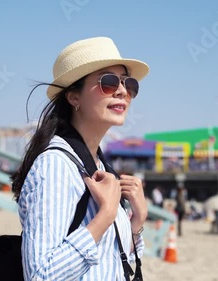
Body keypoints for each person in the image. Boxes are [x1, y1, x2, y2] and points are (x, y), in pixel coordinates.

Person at [12, 37, 149, 280]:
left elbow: (108, 261)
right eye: (108, 82)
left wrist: (136, 222)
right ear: (74, 97)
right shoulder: (54, 166)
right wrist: (105, 215)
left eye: (129, 84)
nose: (121, 91)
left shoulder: (97, 163)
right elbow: (40, 274)